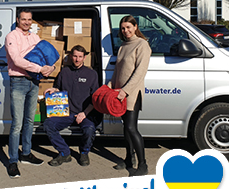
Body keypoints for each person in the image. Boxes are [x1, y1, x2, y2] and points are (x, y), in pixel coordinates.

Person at [5, 8, 55, 178]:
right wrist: (40, 68)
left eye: (29, 19)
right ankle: (13, 160)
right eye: (23, 19)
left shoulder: (35, 37)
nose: (26, 22)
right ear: (18, 19)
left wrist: (51, 67)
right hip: (18, 82)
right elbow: (17, 60)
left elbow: (45, 55)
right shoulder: (12, 36)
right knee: (17, 124)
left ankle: (26, 153)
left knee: (29, 121)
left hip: (34, 82)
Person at [108, 15, 151, 177]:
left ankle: (143, 164)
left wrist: (125, 90)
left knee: (132, 128)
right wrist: (110, 87)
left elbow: (140, 72)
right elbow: (117, 72)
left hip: (132, 94)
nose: (126, 30)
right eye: (123, 28)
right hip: (119, 94)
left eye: (128, 27)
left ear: (135, 27)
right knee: (126, 128)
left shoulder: (142, 45)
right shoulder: (123, 46)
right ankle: (128, 159)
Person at [43, 45, 100, 167]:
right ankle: (64, 153)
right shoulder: (64, 71)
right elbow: (59, 88)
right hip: (66, 113)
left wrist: (84, 113)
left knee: (90, 129)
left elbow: (95, 99)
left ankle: (84, 152)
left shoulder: (91, 74)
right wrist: (53, 90)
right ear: (70, 56)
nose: (77, 59)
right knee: (48, 124)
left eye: (80, 57)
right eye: (75, 56)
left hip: (84, 114)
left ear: (84, 58)